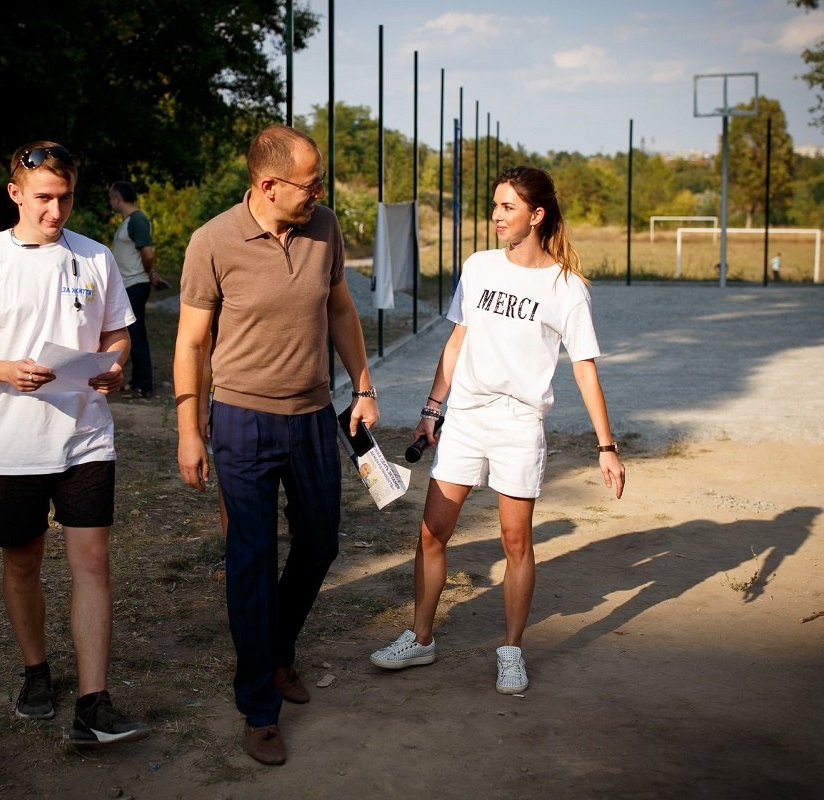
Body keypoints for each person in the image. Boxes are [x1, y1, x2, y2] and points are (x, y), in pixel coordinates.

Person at [368, 166, 625, 697]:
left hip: (518, 424)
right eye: (495, 205)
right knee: (431, 532)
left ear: (537, 215)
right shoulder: (479, 266)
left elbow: (583, 368)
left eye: (508, 207)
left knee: (515, 541)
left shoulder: (567, 288)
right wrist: (432, 408)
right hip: (464, 417)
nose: (496, 216)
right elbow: (458, 341)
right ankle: (420, 637)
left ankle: (511, 650)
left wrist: (606, 447)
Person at [174, 123, 378, 766]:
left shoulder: (324, 229)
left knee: (322, 542)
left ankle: (278, 648)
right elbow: (192, 342)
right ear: (268, 184)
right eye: (310, 181)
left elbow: (340, 310)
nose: (319, 190)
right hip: (242, 421)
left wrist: (363, 386)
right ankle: (258, 704)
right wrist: (189, 427)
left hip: (315, 416)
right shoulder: (212, 241)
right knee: (252, 559)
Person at [0, 140, 149, 748]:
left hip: (86, 438)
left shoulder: (96, 257)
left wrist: (112, 365)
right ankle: (36, 671)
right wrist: (3, 370)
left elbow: (117, 336)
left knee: (93, 563)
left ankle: (93, 703)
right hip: (13, 444)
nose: (57, 211)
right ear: (15, 195)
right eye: (44, 199)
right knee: (23, 562)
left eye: (66, 197)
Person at [107, 181, 165, 399]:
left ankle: (143, 384)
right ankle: (135, 381)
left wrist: (148, 273)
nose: (110, 201)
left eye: (111, 197)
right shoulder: (129, 221)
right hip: (127, 284)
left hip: (135, 284)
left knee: (136, 334)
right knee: (132, 333)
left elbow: (147, 254)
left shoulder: (138, 219)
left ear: (118, 197)